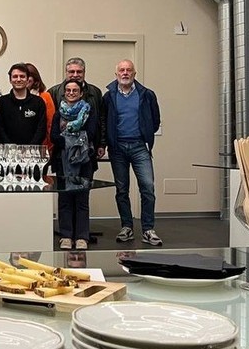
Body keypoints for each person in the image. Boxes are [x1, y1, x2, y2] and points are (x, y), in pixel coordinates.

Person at [103, 59, 162, 246]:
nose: (125, 73)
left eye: (129, 70)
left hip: (139, 147)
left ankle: (148, 229)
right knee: (122, 190)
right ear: (116, 74)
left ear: (134, 74)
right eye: (122, 70)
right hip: (117, 148)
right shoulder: (108, 96)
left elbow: (155, 120)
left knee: (148, 187)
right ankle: (126, 227)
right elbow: (104, 121)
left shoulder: (147, 95)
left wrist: (145, 133)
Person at [51, 80, 99, 250]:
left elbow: (91, 133)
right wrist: (75, 140)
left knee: (81, 200)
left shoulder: (88, 112)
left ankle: (82, 237)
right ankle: (66, 235)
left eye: (75, 90)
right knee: (65, 199)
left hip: (84, 161)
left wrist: (68, 140)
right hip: (62, 160)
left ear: (81, 93)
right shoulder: (58, 113)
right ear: (64, 93)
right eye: (68, 90)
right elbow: (54, 137)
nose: (71, 93)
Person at [0, 63, 47, 145]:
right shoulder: (2, 102)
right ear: (10, 80)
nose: (19, 79)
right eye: (15, 76)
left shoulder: (38, 102)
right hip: (8, 150)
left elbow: (41, 129)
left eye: (22, 76)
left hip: (32, 150)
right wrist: (10, 147)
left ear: (27, 79)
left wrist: (30, 148)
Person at [24, 62, 55, 151]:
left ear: (35, 78)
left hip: (42, 145)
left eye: (29, 76)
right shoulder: (14, 97)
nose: (26, 79)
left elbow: (50, 123)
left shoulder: (45, 96)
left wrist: (50, 146)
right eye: (23, 76)